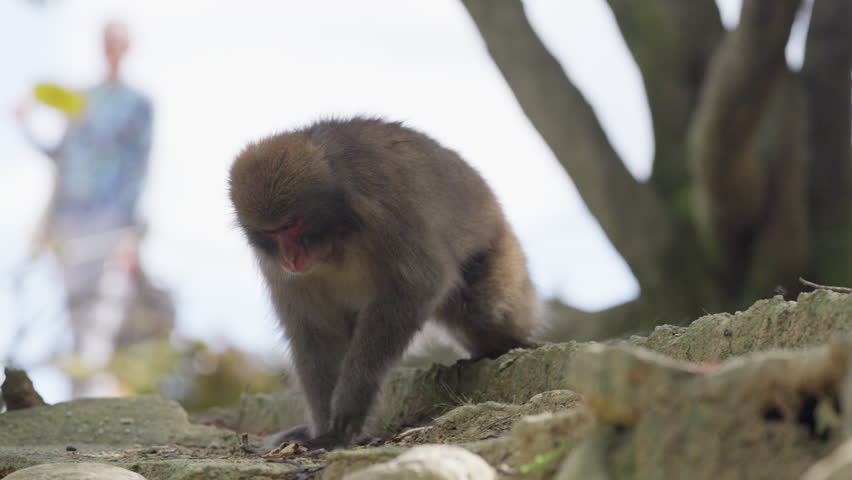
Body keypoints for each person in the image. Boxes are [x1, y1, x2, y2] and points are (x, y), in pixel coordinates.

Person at [15, 20, 171, 396]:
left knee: (101, 313)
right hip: (70, 218)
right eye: (107, 41)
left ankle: (91, 403)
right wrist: (23, 123)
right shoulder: (82, 100)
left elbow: (140, 166)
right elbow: (59, 155)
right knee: (73, 311)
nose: (112, 47)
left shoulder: (139, 103)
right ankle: (77, 400)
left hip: (112, 219)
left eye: (118, 42)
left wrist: (131, 231)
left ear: (127, 47)